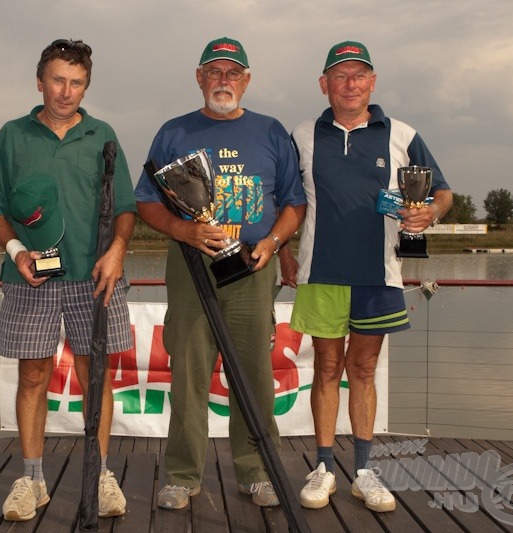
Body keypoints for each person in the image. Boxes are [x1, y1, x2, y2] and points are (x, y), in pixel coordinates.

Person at [134, 37, 306, 510]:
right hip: (191, 266)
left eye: (233, 73)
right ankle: (183, 476)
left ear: (246, 81)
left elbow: (294, 202)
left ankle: (256, 471)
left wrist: (273, 243)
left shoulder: (271, 132)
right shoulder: (173, 132)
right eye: (215, 72)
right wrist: (183, 232)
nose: (223, 81)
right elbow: (145, 201)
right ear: (199, 77)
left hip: (253, 266)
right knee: (188, 374)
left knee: (252, 375)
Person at [0, 39, 136, 521]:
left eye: (77, 82)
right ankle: (32, 479)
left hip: (94, 277)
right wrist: (16, 250)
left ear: (87, 85)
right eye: (58, 80)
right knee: (32, 376)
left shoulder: (103, 134)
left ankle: (101, 473)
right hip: (29, 280)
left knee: (96, 376)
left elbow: (125, 208)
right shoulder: (11, 136)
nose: (67, 92)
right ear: (40, 80)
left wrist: (118, 251)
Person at [288, 41, 453, 512]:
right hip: (320, 274)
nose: (349, 84)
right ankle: (322, 467)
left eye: (358, 75)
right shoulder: (302, 134)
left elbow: (441, 192)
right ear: (325, 85)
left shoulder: (402, 133)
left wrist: (428, 215)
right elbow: (288, 202)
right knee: (325, 368)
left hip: (380, 276)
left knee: (362, 370)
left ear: (373, 82)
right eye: (339, 76)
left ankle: (363, 470)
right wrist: (280, 248)